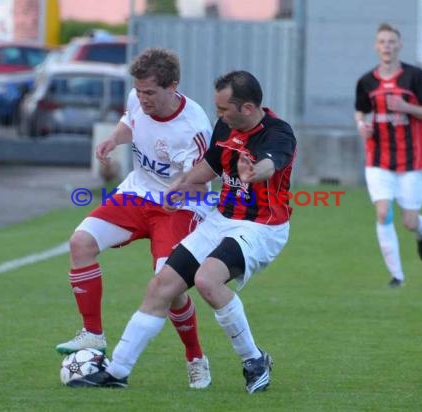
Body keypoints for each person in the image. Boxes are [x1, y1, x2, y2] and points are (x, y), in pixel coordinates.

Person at [67, 70, 297, 394]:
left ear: (247, 108)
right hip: (222, 217)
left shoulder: (278, 133)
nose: (217, 116)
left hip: (261, 227)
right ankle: (117, 371)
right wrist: (181, 184)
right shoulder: (227, 124)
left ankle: (253, 359)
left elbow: (272, 164)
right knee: (162, 286)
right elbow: (211, 166)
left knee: (206, 279)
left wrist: (255, 172)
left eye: (223, 110)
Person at [56, 48, 213, 389]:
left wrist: (176, 191)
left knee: (167, 286)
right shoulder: (137, 98)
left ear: (174, 87)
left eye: (150, 93)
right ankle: (93, 334)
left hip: (180, 207)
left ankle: (196, 357)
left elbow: (199, 181)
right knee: (81, 242)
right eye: (139, 91)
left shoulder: (194, 128)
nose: (142, 99)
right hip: (136, 194)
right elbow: (130, 120)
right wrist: (114, 138)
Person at [354, 23, 422, 287]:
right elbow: (360, 111)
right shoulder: (366, 82)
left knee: (409, 221)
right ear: (376, 46)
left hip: (411, 161)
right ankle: (397, 276)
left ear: (399, 45)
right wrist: (362, 125)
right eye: (382, 41)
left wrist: (407, 106)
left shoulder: (416, 77)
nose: (387, 46)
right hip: (378, 159)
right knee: (383, 213)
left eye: (392, 41)